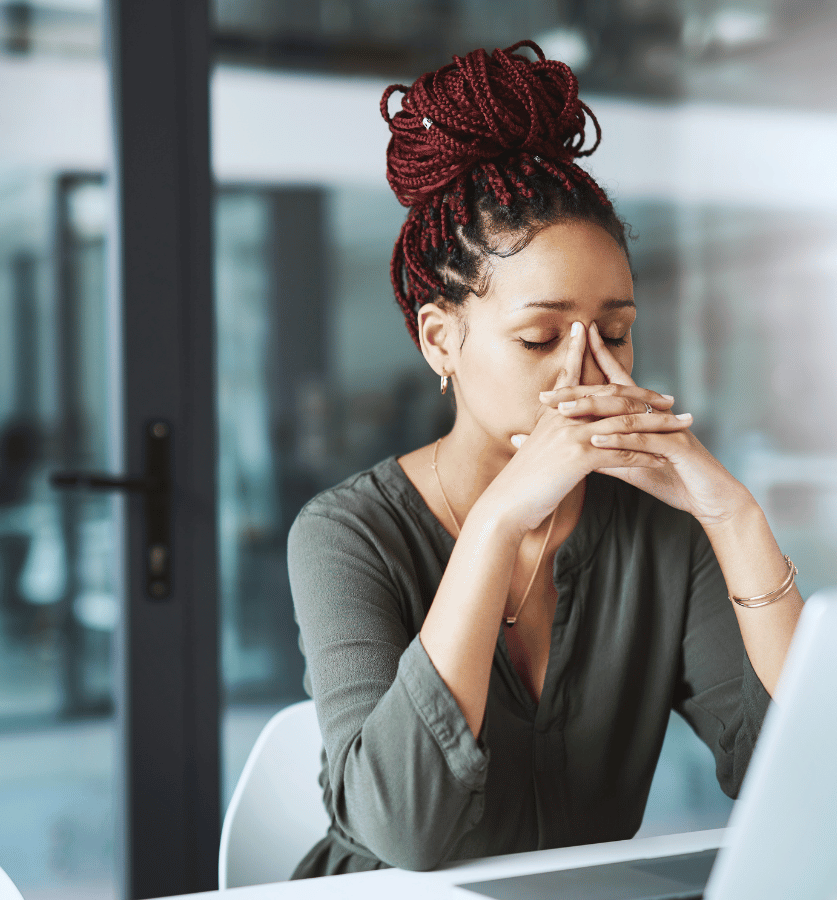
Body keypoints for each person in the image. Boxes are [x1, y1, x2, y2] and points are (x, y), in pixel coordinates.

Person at [287, 41, 804, 877]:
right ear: (439, 340)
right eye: (539, 337)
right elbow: (404, 833)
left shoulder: (660, 530)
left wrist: (734, 518)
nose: (590, 372)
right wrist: (496, 523)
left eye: (617, 332)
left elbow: (790, 770)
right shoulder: (346, 533)